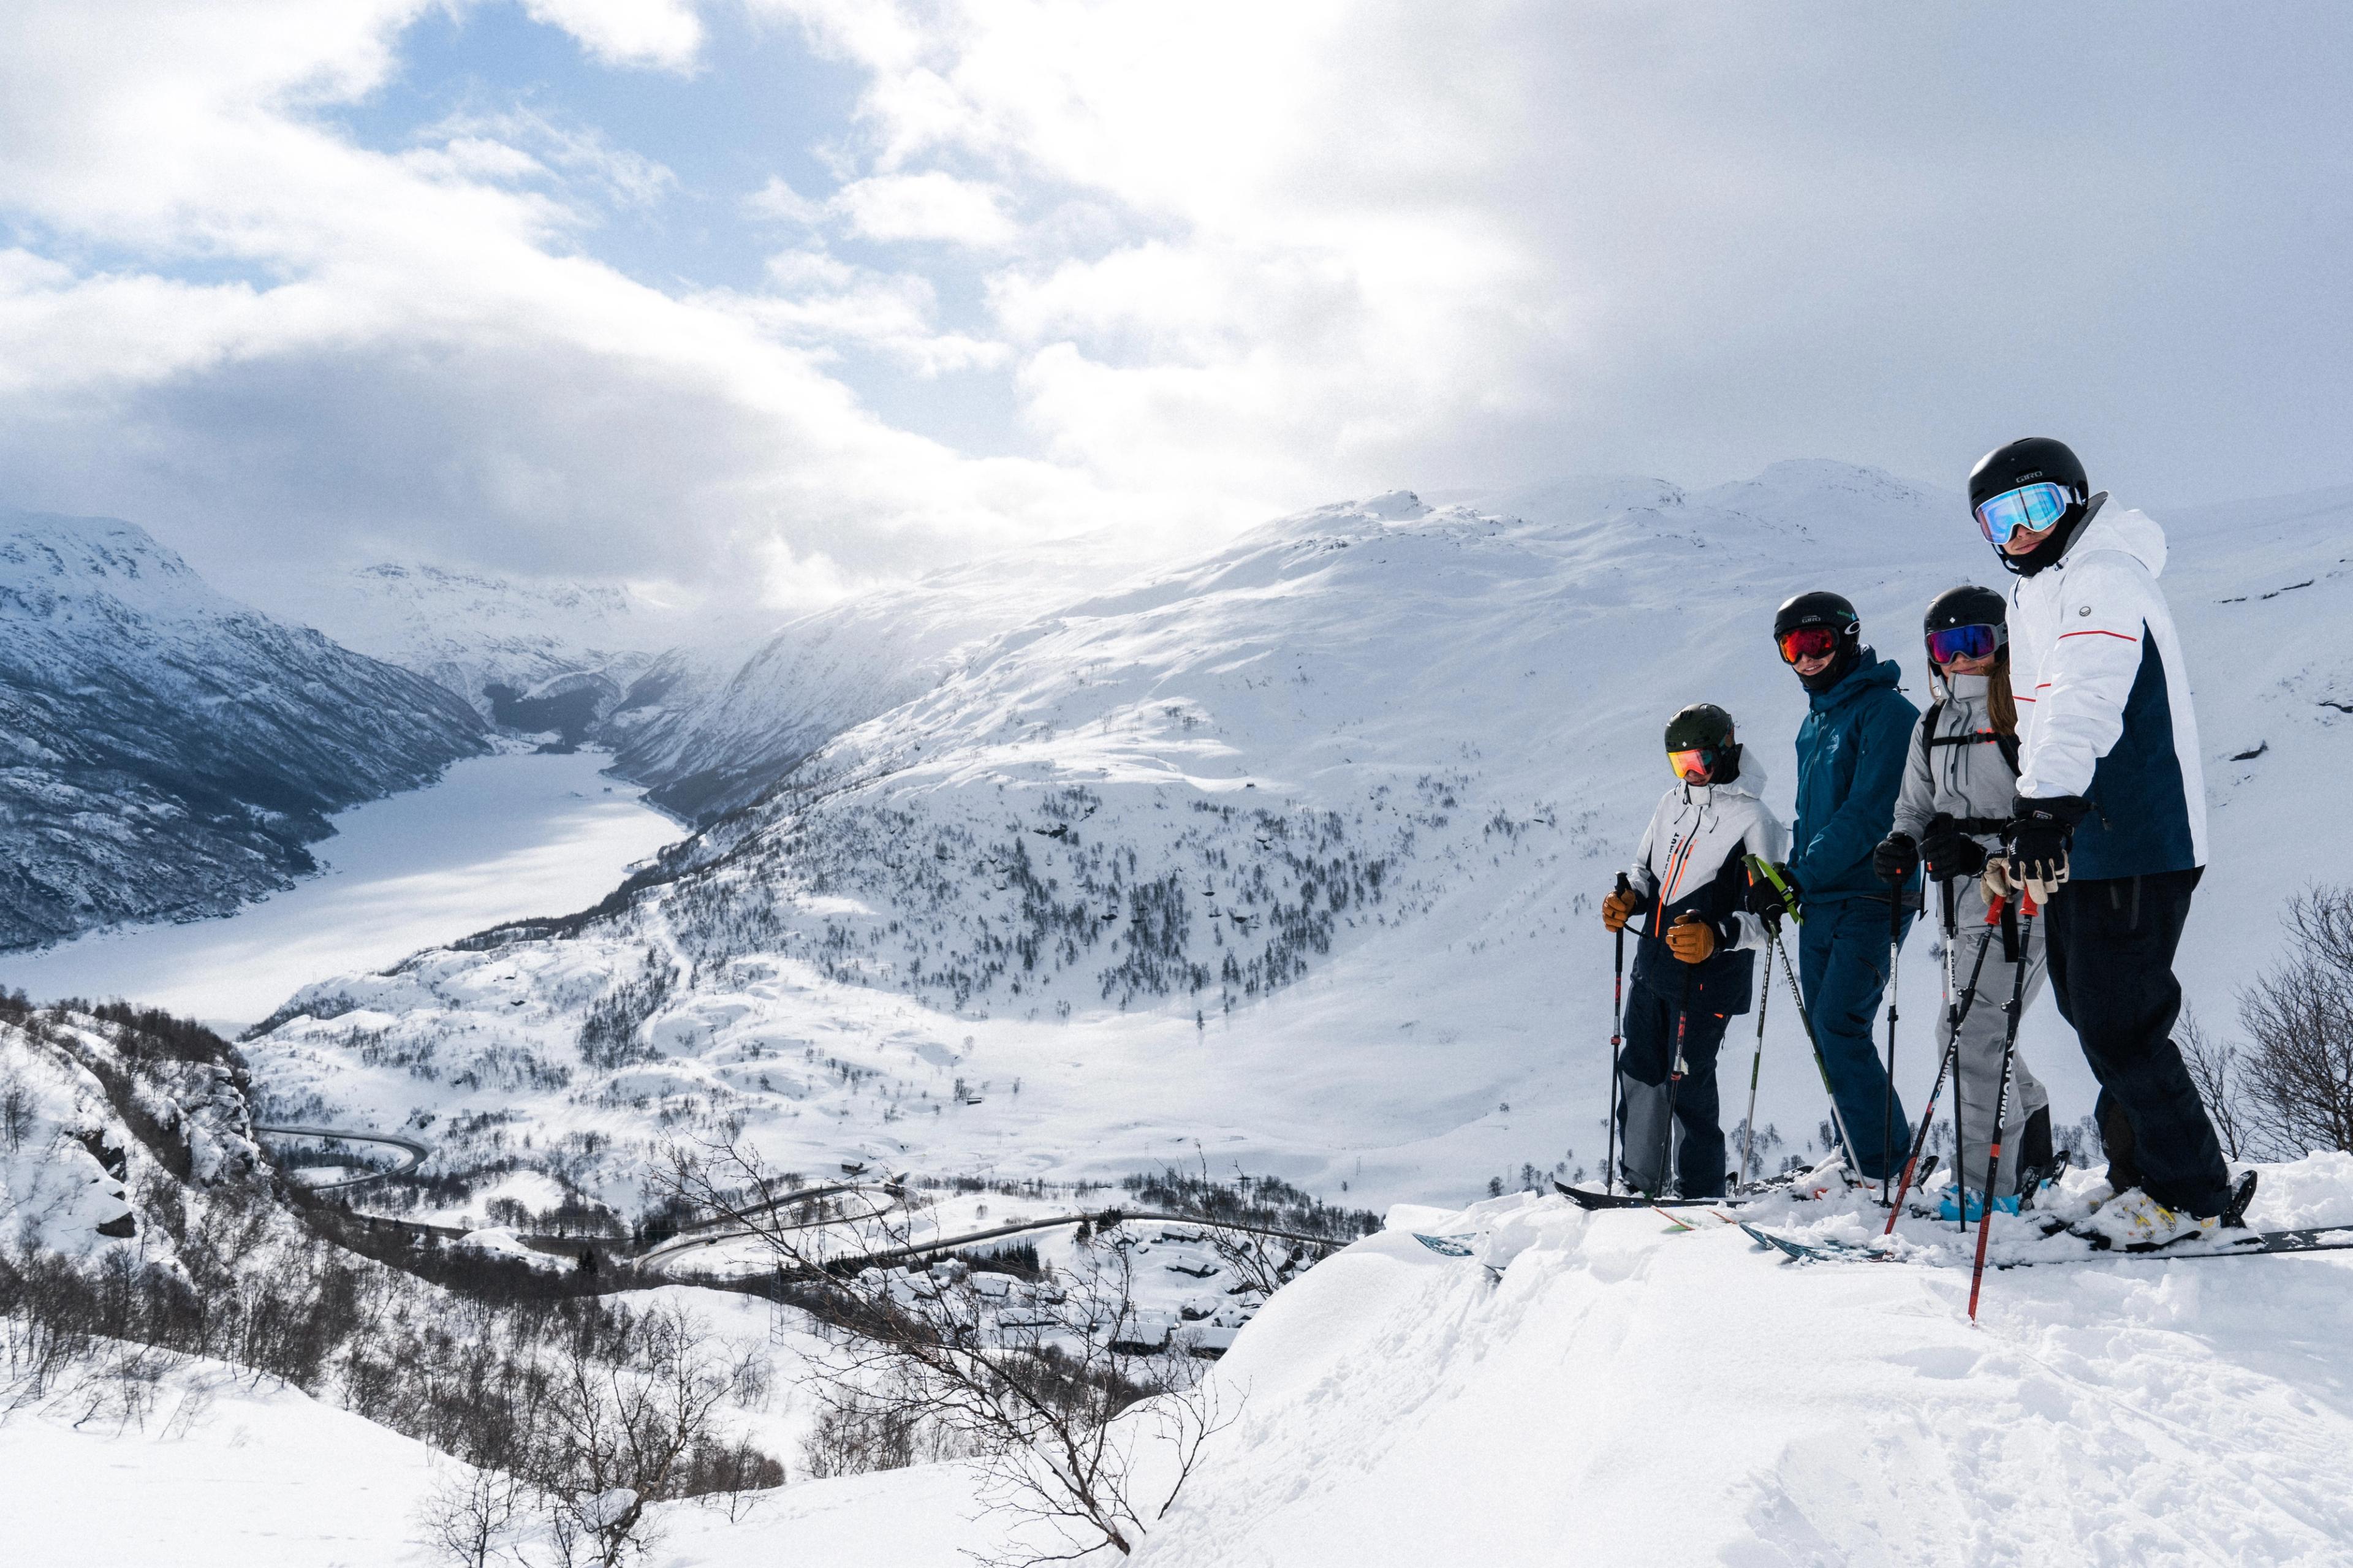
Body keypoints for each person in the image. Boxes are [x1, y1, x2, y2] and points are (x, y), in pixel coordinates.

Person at [1967, 436, 2251, 1243]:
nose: (2019, 532)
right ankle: (2143, 1179)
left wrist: (2048, 807)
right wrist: (2031, 822)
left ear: (2074, 499)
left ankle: (2192, 1192)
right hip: (2090, 836)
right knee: (2091, 1008)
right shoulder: (2038, 592)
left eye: (2036, 507)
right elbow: (2039, 715)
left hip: (2137, 831)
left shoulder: (2101, 575)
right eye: (2000, 518)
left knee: (2122, 1018)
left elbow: (2085, 698)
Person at [1871, 585, 2054, 1216]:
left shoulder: (2023, 716)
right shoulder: (1933, 724)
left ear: (2002, 645)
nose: (1959, 660)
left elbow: (2047, 816)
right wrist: (1902, 843)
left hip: (2021, 900)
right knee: (1977, 1031)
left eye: (1973, 643)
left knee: (1970, 1033)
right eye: (1944, 648)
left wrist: (1983, 853)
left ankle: (1985, 1190)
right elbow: (1915, 807)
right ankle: (2035, 1149)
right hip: (1960, 909)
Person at [1757, 591, 1920, 1185]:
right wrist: (1787, 879)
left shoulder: (1887, 715)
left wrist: (1801, 874)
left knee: (1841, 1025)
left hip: (1875, 891)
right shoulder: (1816, 723)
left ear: (1848, 638)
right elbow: (1815, 817)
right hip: (1821, 899)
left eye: (1817, 643)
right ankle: (1857, 1151)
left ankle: (1887, 1168)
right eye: (1792, 647)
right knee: (1827, 1034)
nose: (1806, 659)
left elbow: (1869, 814)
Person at [1600, 703, 1785, 1197]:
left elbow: (1770, 920)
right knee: (1640, 1068)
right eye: (1679, 764)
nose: (1691, 774)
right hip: (1654, 968)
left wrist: (1719, 934)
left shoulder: (1754, 820)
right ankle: (1640, 1181)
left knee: (1688, 1081)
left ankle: (1700, 1188)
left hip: (1707, 981)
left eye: (1699, 761)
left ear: (1725, 750)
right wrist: (1628, 898)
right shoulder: (1671, 804)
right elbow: (1644, 871)